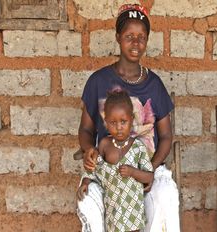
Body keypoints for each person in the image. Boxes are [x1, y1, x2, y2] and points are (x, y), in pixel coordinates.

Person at [77, 3, 180, 232]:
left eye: (141, 37)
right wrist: (88, 150)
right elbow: (86, 131)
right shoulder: (98, 81)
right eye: (129, 36)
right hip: (106, 168)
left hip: (148, 167)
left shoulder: (154, 85)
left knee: (167, 198)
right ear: (118, 37)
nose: (136, 44)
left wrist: (148, 171)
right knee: (88, 204)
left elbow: (165, 136)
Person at [77, 89, 154, 232]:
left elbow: (149, 176)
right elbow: (94, 170)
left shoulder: (138, 147)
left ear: (131, 119)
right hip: (113, 212)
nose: (119, 127)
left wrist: (132, 172)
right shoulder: (105, 145)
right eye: (113, 122)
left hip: (133, 213)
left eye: (123, 121)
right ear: (106, 122)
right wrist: (85, 183)